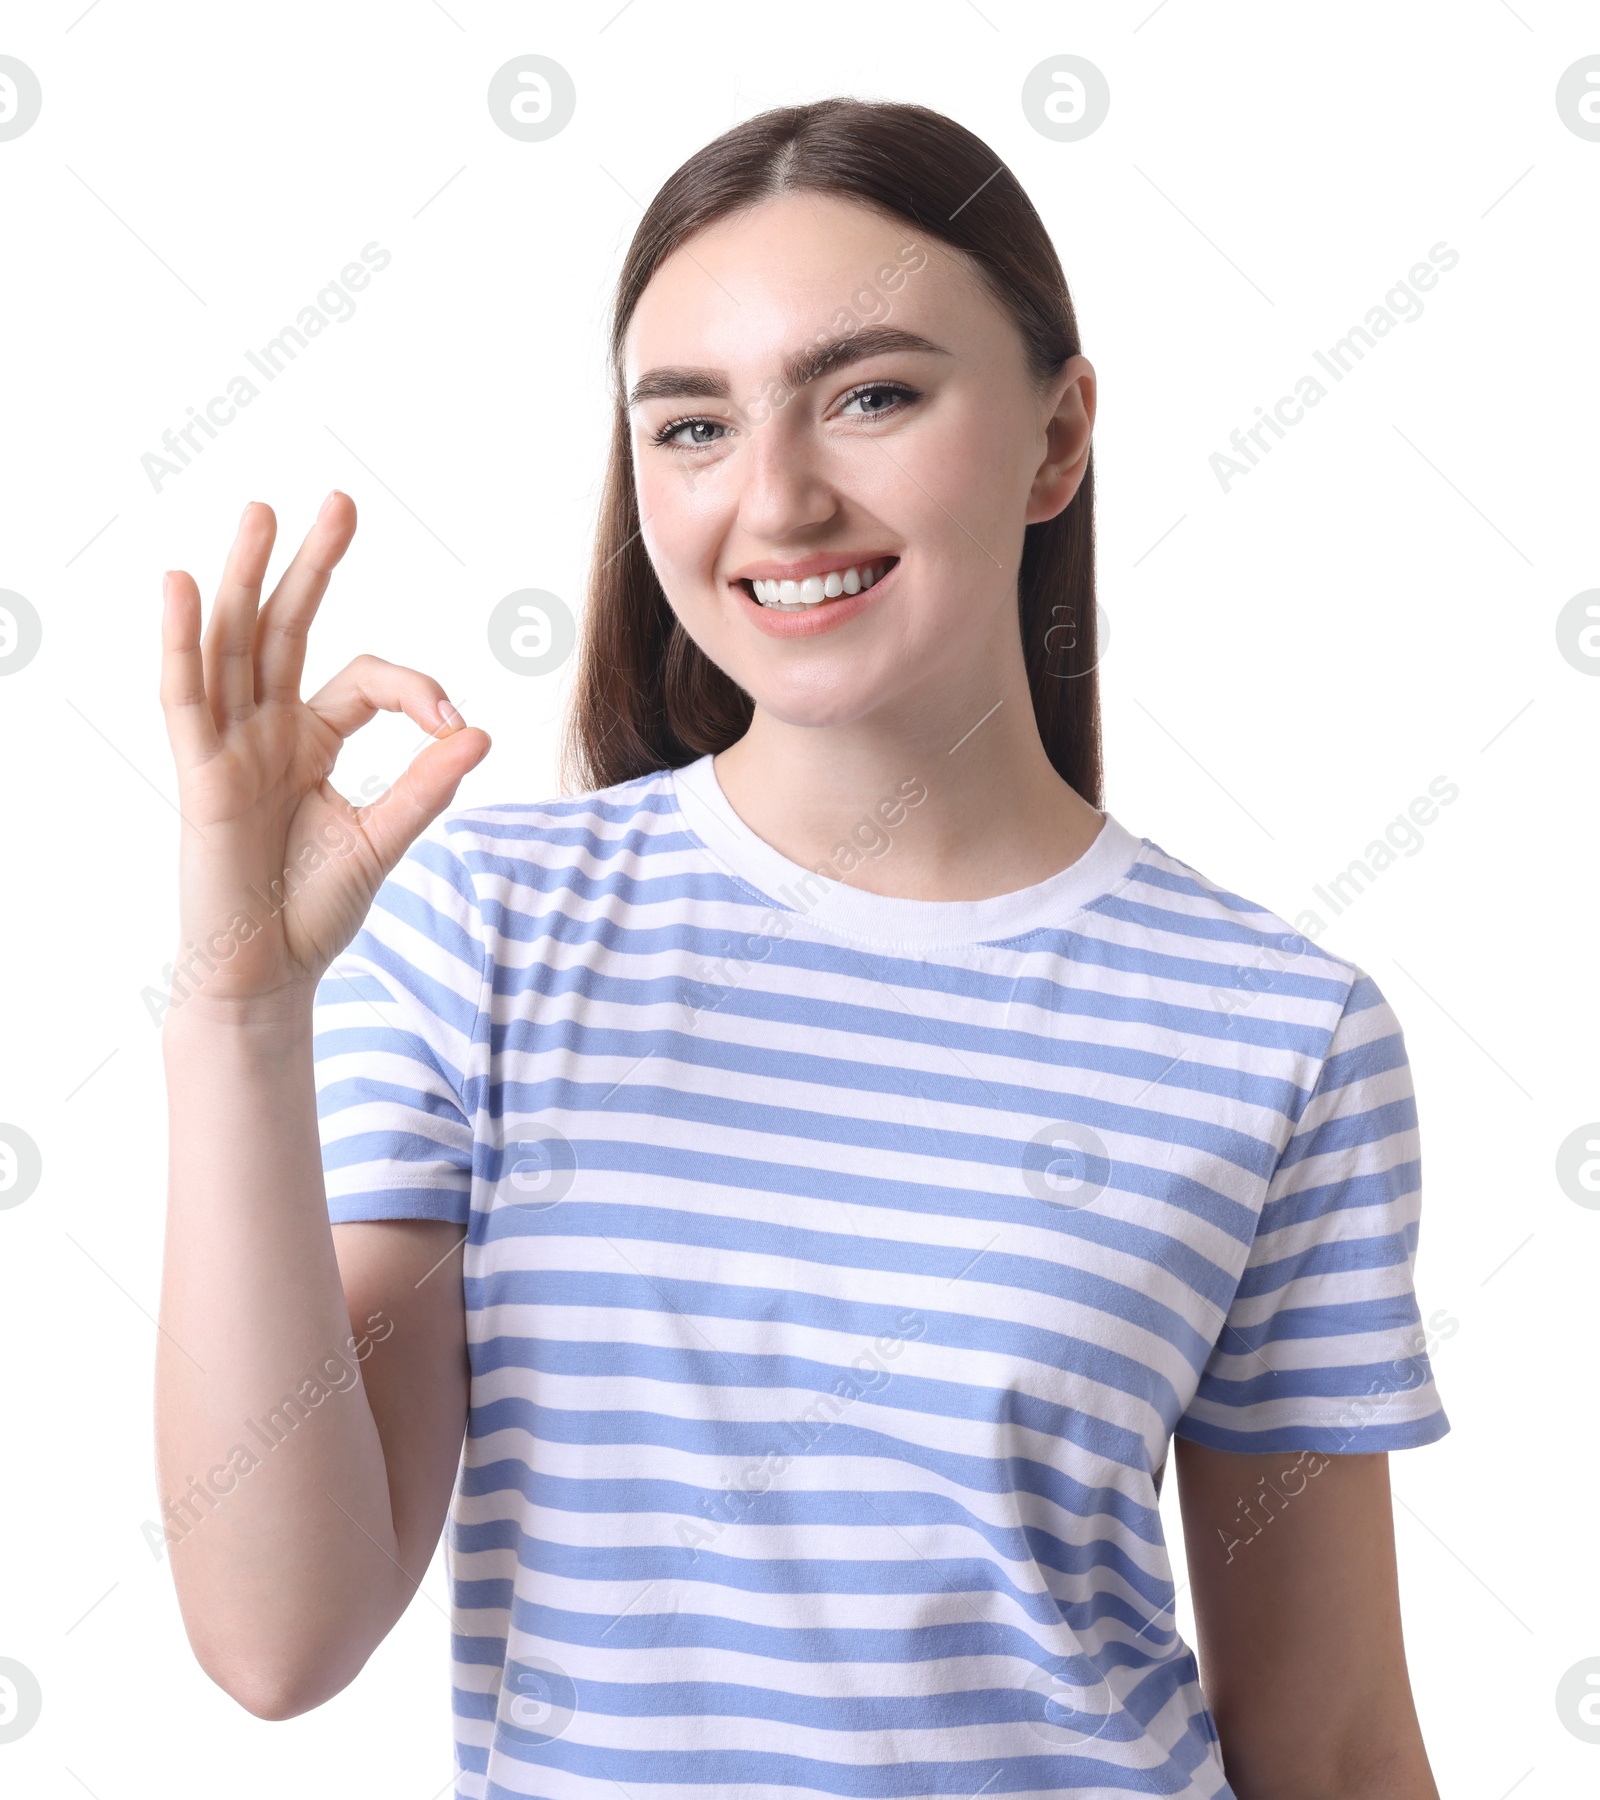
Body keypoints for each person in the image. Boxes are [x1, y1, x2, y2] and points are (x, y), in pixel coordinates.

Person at [155, 98, 1448, 1800]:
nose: (775, 497)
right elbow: (280, 1640)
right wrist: (242, 1014)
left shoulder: (1279, 1034)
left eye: (872, 396)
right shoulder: (492, 934)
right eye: (690, 426)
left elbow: (1335, 1743)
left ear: (1058, 437)